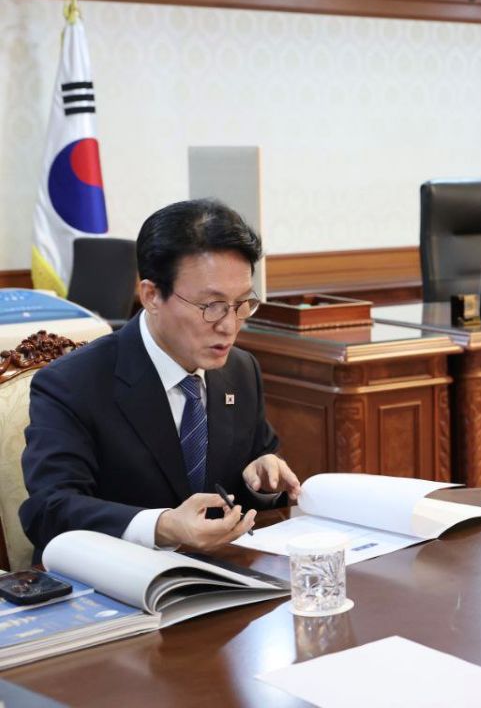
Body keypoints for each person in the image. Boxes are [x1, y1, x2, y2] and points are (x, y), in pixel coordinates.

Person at [21, 199, 301, 559]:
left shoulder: (241, 371)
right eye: (211, 306)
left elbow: (250, 472)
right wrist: (162, 526)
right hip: (116, 578)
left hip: (221, 576)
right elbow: (50, 510)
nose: (229, 325)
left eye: (242, 303)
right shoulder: (72, 383)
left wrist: (262, 479)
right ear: (151, 296)